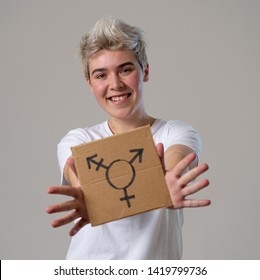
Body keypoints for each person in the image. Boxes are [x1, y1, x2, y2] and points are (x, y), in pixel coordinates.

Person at [46, 16, 210, 260]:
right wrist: (87, 193)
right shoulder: (78, 139)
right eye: (101, 75)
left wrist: (168, 182)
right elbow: (78, 175)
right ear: (90, 83)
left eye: (125, 69)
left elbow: (175, 162)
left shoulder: (176, 132)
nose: (115, 84)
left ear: (145, 71)